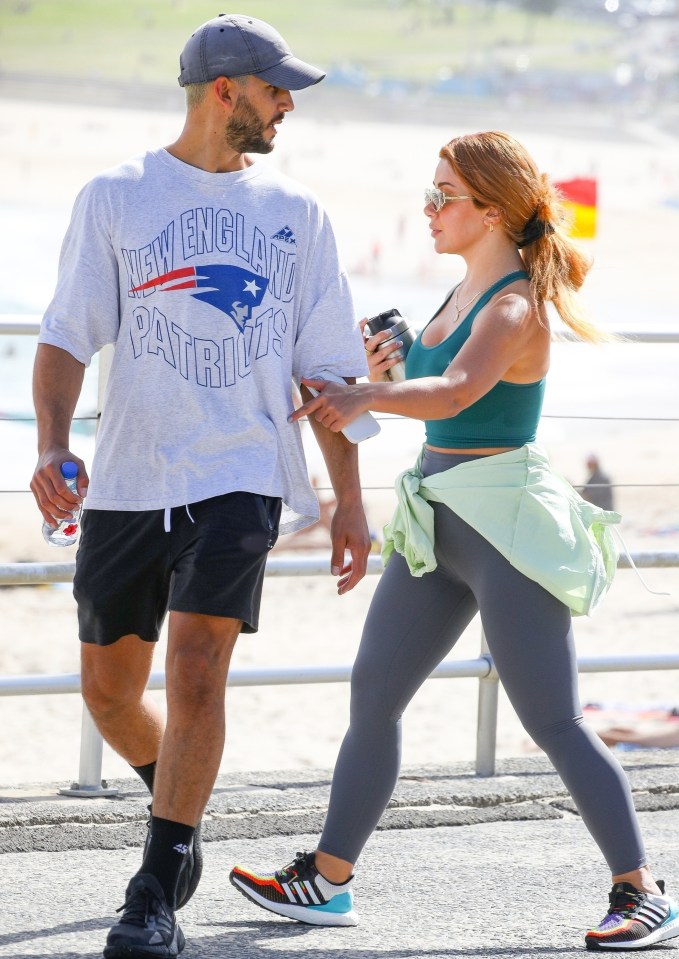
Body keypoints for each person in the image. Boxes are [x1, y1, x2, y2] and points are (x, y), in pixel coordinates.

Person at [229, 130, 679, 951]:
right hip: (437, 516)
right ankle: (327, 878)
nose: (427, 209)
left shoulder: (512, 304)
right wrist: (381, 375)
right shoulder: (456, 295)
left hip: (504, 524)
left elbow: (459, 390)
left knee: (552, 719)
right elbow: (431, 391)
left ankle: (640, 889)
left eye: (443, 196)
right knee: (374, 693)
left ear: (492, 209)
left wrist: (370, 389)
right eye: (429, 193)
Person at [30, 13, 371, 959]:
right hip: (131, 477)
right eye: (275, 89)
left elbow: (326, 372)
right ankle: (178, 813)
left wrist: (347, 496)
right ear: (225, 90)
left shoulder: (298, 215)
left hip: (242, 474)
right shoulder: (116, 196)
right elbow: (64, 334)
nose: (287, 106)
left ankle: (154, 882)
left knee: (196, 670)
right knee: (108, 690)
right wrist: (53, 445)